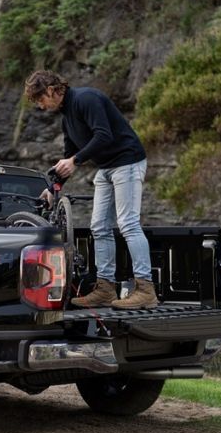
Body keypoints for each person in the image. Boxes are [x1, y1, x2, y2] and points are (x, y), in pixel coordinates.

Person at [24, 70, 158, 310]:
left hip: (127, 162)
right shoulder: (67, 117)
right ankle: (105, 289)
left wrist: (75, 160)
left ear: (52, 90)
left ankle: (146, 290)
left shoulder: (87, 99)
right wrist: (54, 188)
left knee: (128, 223)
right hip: (106, 168)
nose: (41, 106)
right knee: (98, 227)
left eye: (40, 99)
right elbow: (68, 155)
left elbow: (103, 135)